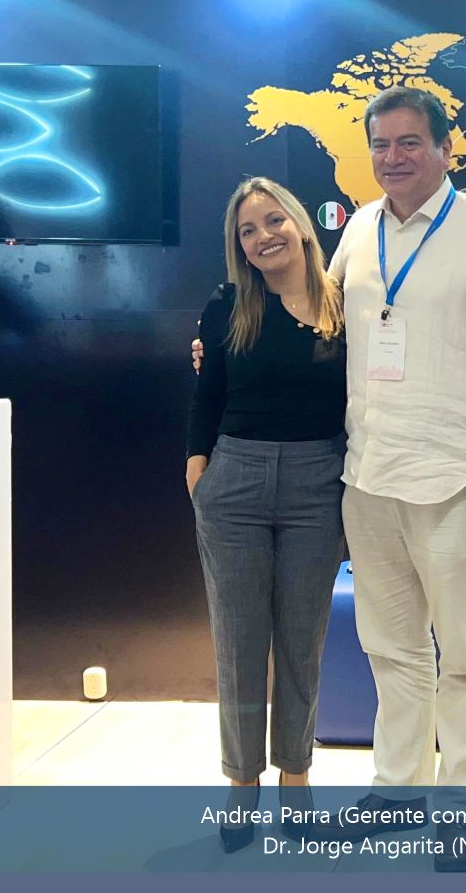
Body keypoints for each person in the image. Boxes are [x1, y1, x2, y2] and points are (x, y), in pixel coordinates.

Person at [193, 90, 466, 870]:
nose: (393, 157)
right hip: (367, 478)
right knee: (392, 650)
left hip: (458, 480)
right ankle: (397, 792)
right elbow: (311, 315)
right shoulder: (358, 229)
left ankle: (461, 815)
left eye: (410, 142)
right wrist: (216, 347)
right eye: (381, 144)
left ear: (446, 148)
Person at [186, 176, 346, 853]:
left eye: (273, 220)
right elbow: (208, 396)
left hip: (319, 484)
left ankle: (296, 774)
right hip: (236, 483)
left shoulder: (345, 304)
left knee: (303, 643)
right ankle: (242, 779)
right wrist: (199, 469)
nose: (263, 237)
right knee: (239, 643)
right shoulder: (228, 306)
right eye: (247, 231)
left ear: (300, 224)